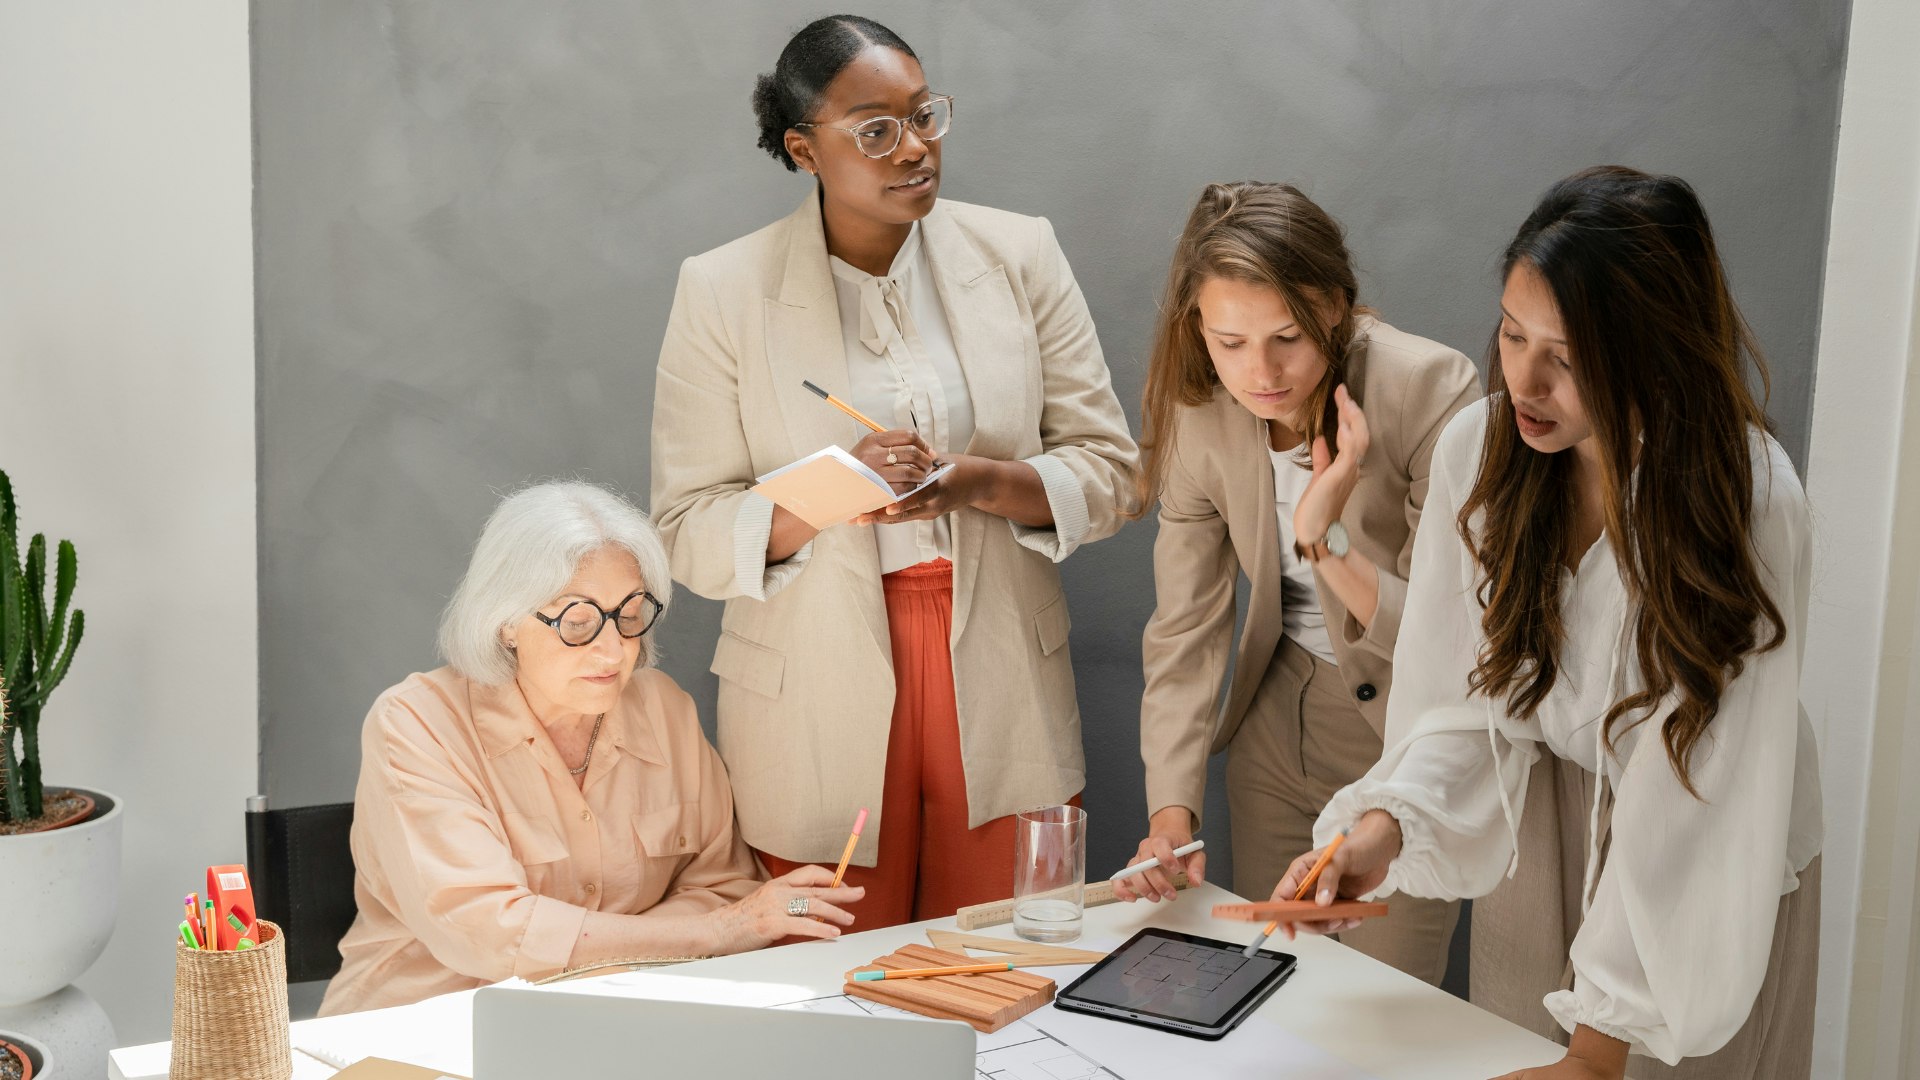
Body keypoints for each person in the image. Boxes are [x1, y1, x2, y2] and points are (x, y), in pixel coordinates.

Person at [1277, 167, 1823, 1079]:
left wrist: (1597, 1053)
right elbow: (1465, 700)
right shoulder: (1481, 452)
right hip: (1540, 830)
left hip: (1706, 875)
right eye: (1512, 332)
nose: (1523, 380)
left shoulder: (1748, 499)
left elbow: (1700, 788)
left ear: (1654, 350)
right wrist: (1380, 833)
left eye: (1565, 358)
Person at [650, 15, 1137, 927]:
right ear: (803, 149)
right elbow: (685, 529)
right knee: (830, 972)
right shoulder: (721, 289)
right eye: (875, 129)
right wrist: (836, 486)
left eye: (923, 116)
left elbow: (1113, 472)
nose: (914, 148)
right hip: (811, 681)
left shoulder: (1021, 252)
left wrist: (978, 482)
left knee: (1004, 958)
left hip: (1003, 667)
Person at [1114, 181, 1477, 987]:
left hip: (1403, 738)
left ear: (1336, 307)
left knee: (1381, 1004)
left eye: (1287, 336)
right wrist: (1170, 819)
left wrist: (1324, 537)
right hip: (1275, 730)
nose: (1262, 372)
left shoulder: (1431, 389)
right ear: (1196, 327)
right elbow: (1185, 629)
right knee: (1271, 987)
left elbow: (1451, 635)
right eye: (1229, 341)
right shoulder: (1201, 411)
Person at [319, 482, 862, 1015]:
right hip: (426, 1027)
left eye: (629, 615)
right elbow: (488, 932)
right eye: (577, 622)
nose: (613, 650)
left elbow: (724, 883)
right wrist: (715, 931)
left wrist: (624, 953)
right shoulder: (416, 723)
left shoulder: (665, 708)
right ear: (505, 623)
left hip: (615, 1018)